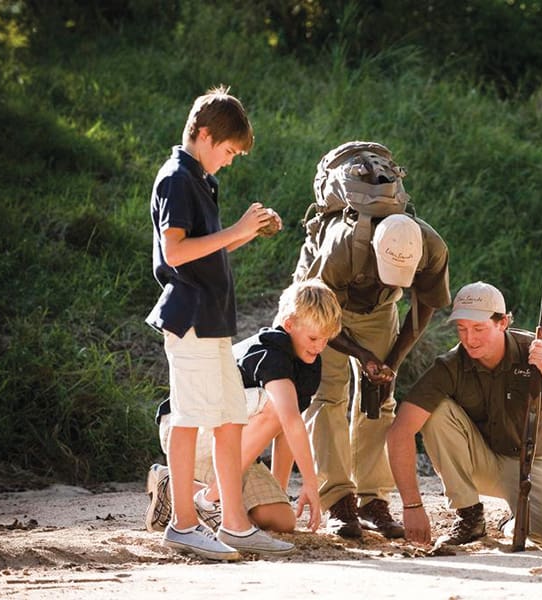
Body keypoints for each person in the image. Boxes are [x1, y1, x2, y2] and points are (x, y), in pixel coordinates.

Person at [145, 85, 292, 560]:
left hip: (212, 320)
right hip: (188, 319)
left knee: (231, 419)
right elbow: (175, 252)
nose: (229, 160)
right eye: (227, 151)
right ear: (204, 134)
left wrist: (246, 232)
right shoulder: (177, 178)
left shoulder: (201, 179)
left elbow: (205, 248)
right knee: (189, 419)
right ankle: (183, 524)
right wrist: (236, 230)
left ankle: (235, 524)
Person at [294, 212, 451, 539]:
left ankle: (372, 500)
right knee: (327, 395)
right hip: (323, 300)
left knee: (379, 398)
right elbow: (315, 314)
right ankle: (338, 500)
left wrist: (391, 361)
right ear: (375, 249)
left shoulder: (433, 249)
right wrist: (362, 355)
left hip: (379, 309)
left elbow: (424, 308)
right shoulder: (342, 247)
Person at [145, 279, 342, 537]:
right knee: (276, 406)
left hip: (235, 447)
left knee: (282, 520)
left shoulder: (308, 361)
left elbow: (286, 433)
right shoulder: (271, 350)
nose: (319, 346)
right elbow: (289, 420)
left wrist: (279, 490)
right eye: (314, 337)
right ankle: (208, 499)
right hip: (191, 432)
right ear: (289, 325)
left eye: (326, 339)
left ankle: (172, 489)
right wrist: (311, 483)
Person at [387, 281, 542, 547]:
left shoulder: (534, 350)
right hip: (482, 464)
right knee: (436, 410)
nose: (469, 339)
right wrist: (411, 505)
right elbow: (400, 430)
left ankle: (515, 520)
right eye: (462, 329)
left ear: (503, 323)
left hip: (536, 462)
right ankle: (470, 517)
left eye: (478, 328)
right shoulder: (450, 365)